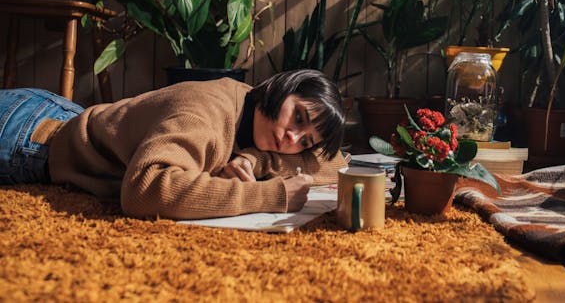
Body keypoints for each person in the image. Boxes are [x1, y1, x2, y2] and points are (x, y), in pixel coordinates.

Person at [0, 69, 347, 220]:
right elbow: (144, 190)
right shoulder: (205, 113)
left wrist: (256, 160)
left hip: (70, 115)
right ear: (283, 87)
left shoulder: (255, 110)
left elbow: (334, 164)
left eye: (305, 142)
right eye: (298, 118)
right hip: (28, 138)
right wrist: (271, 196)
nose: (292, 139)